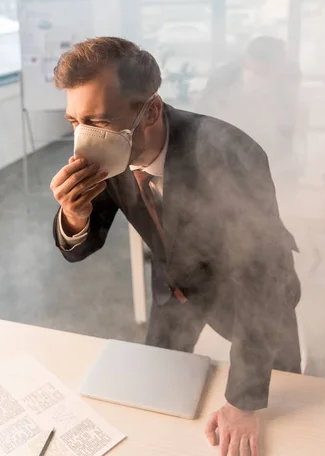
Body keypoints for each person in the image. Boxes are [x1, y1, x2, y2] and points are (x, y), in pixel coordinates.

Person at [50, 37, 301, 456]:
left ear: (150, 110)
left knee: (288, 402)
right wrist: (75, 216)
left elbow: (265, 278)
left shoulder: (229, 152)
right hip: (174, 288)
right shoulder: (108, 153)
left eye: (99, 122)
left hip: (252, 297)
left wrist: (243, 400)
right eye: (75, 122)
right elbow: (80, 246)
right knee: (156, 400)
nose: (83, 142)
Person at [198, 36, 301, 174]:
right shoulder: (224, 75)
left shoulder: (287, 73)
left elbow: (288, 112)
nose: (279, 65)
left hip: (270, 145)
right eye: (276, 62)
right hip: (229, 142)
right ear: (255, 59)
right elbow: (204, 110)